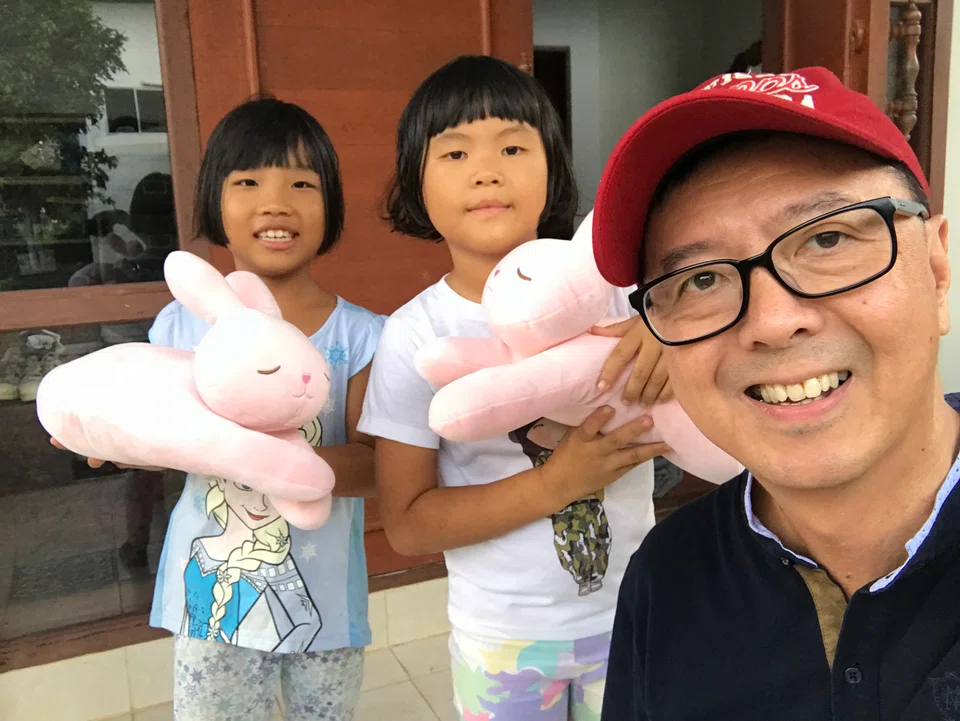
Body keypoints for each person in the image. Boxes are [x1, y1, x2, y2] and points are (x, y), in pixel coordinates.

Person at [591, 68, 960, 720]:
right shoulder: (666, 577)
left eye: (827, 238)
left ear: (935, 270)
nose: (770, 320)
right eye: (701, 279)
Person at [358, 55, 674, 721]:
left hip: (636, 618)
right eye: (454, 152)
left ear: (553, 169)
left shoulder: (623, 293)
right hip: (504, 644)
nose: (486, 169)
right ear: (416, 183)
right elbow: (410, 521)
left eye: (511, 145)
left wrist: (671, 337)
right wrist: (556, 483)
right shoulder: (416, 335)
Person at [56, 98, 383, 721]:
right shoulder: (181, 324)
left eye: (302, 183)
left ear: (330, 206)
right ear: (216, 204)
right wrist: (104, 435)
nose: (276, 201)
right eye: (248, 181)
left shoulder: (365, 337)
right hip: (213, 597)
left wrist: (277, 461)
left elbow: (375, 468)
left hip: (323, 601)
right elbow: (144, 419)